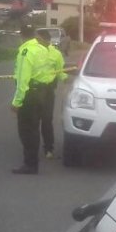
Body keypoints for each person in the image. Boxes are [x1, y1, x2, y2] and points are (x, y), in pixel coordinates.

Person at [11, 24, 52, 174]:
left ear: (21, 36)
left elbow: (23, 80)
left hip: (30, 95)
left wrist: (16, 102)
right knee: (34, 129)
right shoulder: (42, 49)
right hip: (42, 92)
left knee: (26, 131)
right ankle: (33, 162)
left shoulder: (25, 51)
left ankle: (30, 164)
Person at [38, 28, 69, 160]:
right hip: (32, 90)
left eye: (38, 39)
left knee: (46, 121)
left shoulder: (56, 54)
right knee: (32, 121)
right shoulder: (32, 52)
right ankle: (31, 147)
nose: (36, 41)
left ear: (46, 40)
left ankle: (49, 148)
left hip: (47, 91)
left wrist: (66, 80)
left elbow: (60, 71)